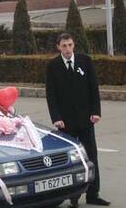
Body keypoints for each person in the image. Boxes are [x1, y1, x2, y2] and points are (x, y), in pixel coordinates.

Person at [45, 33, 110, 208]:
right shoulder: (53, 66)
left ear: (74, 45)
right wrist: (56, 118)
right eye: (64, 46)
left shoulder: (85, 61)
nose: (67, 49)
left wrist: (96, 111)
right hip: (65, 123)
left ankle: (93, 194)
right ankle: (73, 196)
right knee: (70, 160)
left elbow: (93, 87)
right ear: (58, 47)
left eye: (70, 45)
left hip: (85, 119)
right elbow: (51, 94)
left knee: (91, 156)